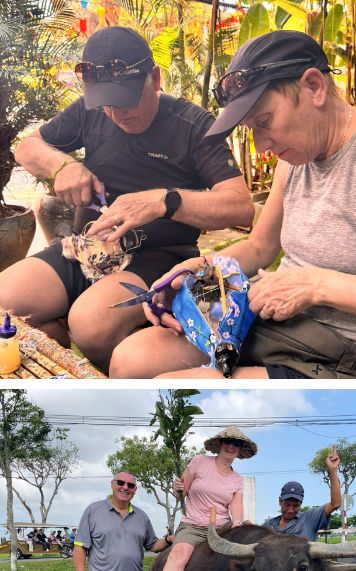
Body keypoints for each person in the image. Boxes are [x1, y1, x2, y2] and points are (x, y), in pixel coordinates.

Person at [109, 30, 356, 379]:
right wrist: (197, 268)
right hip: (277, 328)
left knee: (171, 386)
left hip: (352, 361)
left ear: (314, 87)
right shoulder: (295, 158)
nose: (260, 146)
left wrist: (316, 287)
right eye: (251, 129)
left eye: (264, 122)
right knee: (129, 360)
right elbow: (259, 246)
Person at [0, 26, 253, 371]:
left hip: (157, 256)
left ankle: (109, 371)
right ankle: (62, 357)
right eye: (106, 104)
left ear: (155, 77)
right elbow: (27, 147)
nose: (117, 113)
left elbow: (240, 205)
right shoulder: (88, 111)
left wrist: (166, 201)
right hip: (87, 246)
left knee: (90, 323)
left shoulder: (192, 124)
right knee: (5, 302)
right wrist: (62, 167)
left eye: (127, 99)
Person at [144, 426, 254, 571]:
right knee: (179, 553)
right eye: (228, 441)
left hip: (222, 526)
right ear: (219, 444)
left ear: (239, 450)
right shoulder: (199, 462)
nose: (231, 446)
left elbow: (236, 507)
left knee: (244, 554)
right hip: (193, 525)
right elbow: (181, 494)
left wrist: (239, 525)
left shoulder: (237, 480)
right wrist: (178, 489)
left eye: (236, 444)